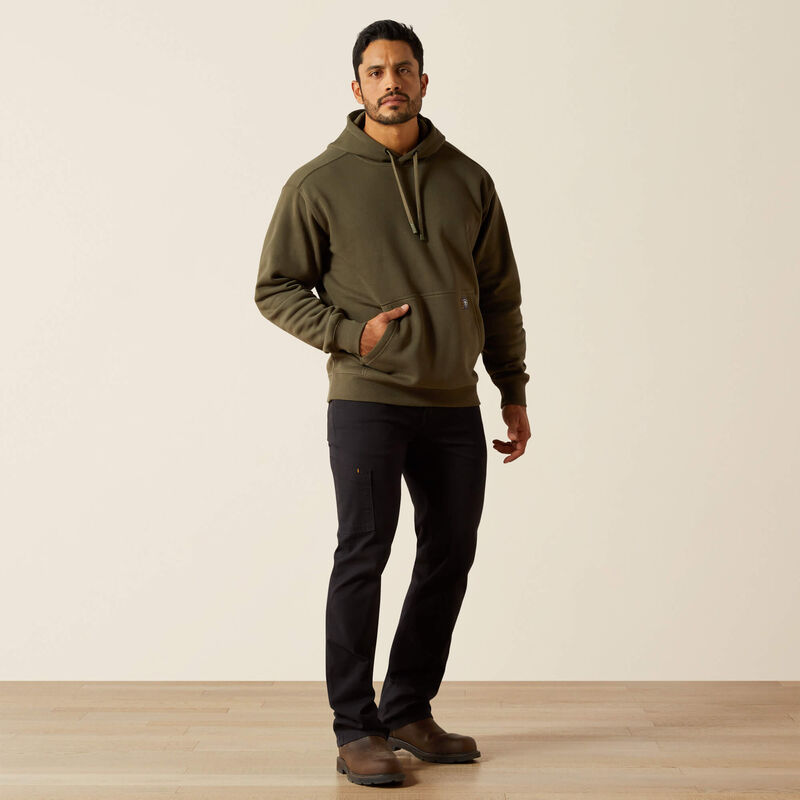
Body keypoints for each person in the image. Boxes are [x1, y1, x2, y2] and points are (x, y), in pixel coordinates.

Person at [254, 19, 531, 787]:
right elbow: (274, 287)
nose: (390, 82)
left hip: (454, 401)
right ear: (356, 87)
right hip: (368, 399)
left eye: (403, 69)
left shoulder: (468, 179)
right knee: (363, 554)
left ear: (423, 81)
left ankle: (408, 708)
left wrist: (511, 388)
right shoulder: (318, 182)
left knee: (449, 553)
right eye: (375, 72)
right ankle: (356, 728)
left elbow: (500, 293)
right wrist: (351, 335)